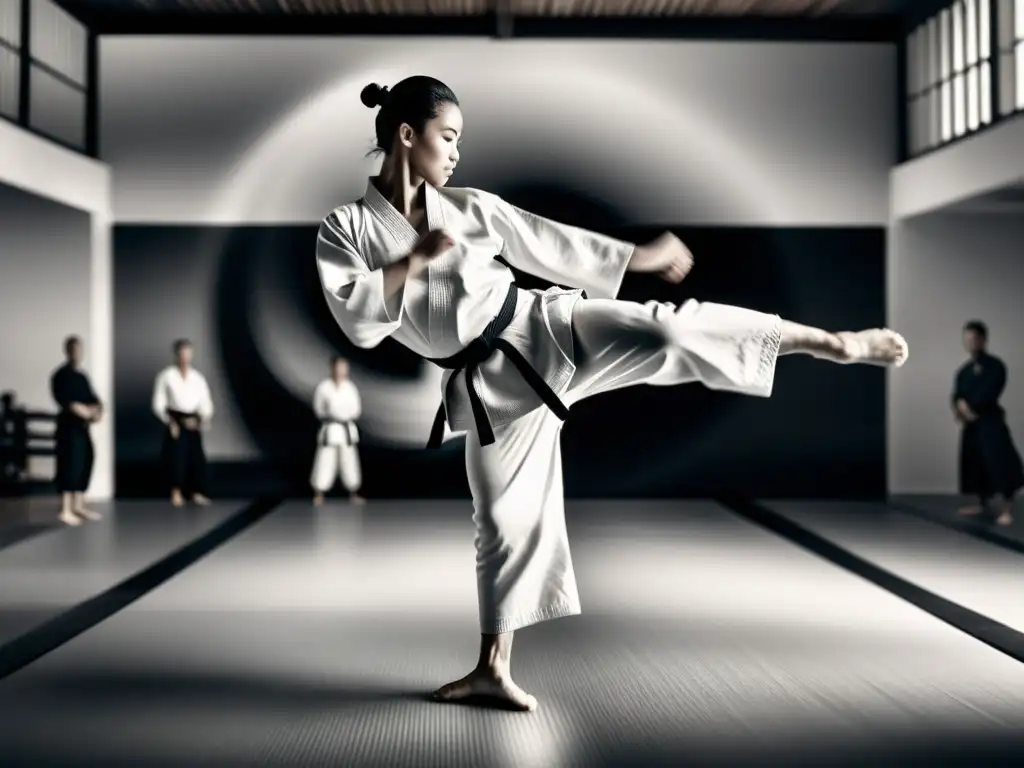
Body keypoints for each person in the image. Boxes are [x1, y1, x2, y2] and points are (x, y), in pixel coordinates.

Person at [315, 75, 909, 712]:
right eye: (448, 137)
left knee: (667, 330)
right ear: (408, 134)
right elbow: (357, 317)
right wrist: (416, 260)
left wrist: (638, 259)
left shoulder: (469, 207)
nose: (457, 152)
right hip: (488, 389)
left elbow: (546, 240)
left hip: (542, 326)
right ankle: (492, 669)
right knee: (504, 519)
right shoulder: (346, 227)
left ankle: (829, 342)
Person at [954, 320, 1022, 526]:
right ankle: (982, 503)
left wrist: (971, 407)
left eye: (974, 338)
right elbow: (957, 394)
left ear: (983, 339)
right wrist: (961, 408)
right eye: (966, 339)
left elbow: (991, 391)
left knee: (999, 462)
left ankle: (1007, 508)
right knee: (975, 463)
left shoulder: (995, 366)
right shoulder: (964, 370)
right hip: (971, 425)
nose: (970, 343)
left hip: (990, 422)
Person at [152, 339, 214, 507]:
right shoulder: (166, 376)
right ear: (176, 354)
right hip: (175, 418)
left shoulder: (197, 377)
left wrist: (202, 419)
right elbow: (158, 403)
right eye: (182, 353)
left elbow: (205, 401)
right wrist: (170, 422)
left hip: (194, 418)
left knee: (196, 457)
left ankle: (196, 492)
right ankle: (176, 492)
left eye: (188, 352)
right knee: (176, 457)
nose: (185, 356)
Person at [49, 336, 103, 526]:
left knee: (86, 460)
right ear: (67, 351)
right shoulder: (61, 375)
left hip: (83, 428)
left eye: (80, 350)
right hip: (68, 428)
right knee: (69, 465)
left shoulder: (82, 376)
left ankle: (79, 505)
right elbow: (67, 401)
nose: (77, 354)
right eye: (74, 350)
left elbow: (94, 398)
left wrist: (96, 411)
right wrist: (82, 410)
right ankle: (65, 509)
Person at [310, 356, 365, 506]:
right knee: (324, 461)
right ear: (332, 368)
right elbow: (319, 410)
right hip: (331, 428)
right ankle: (319, 493)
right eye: (338, 367)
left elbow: (356, 410)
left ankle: (353, 492)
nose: (341, 370)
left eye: (344, 367)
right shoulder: (324, 387)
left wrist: (342, 414)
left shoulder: (350, 387)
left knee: (349, 462)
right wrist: (331, 413)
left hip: (346, 429)